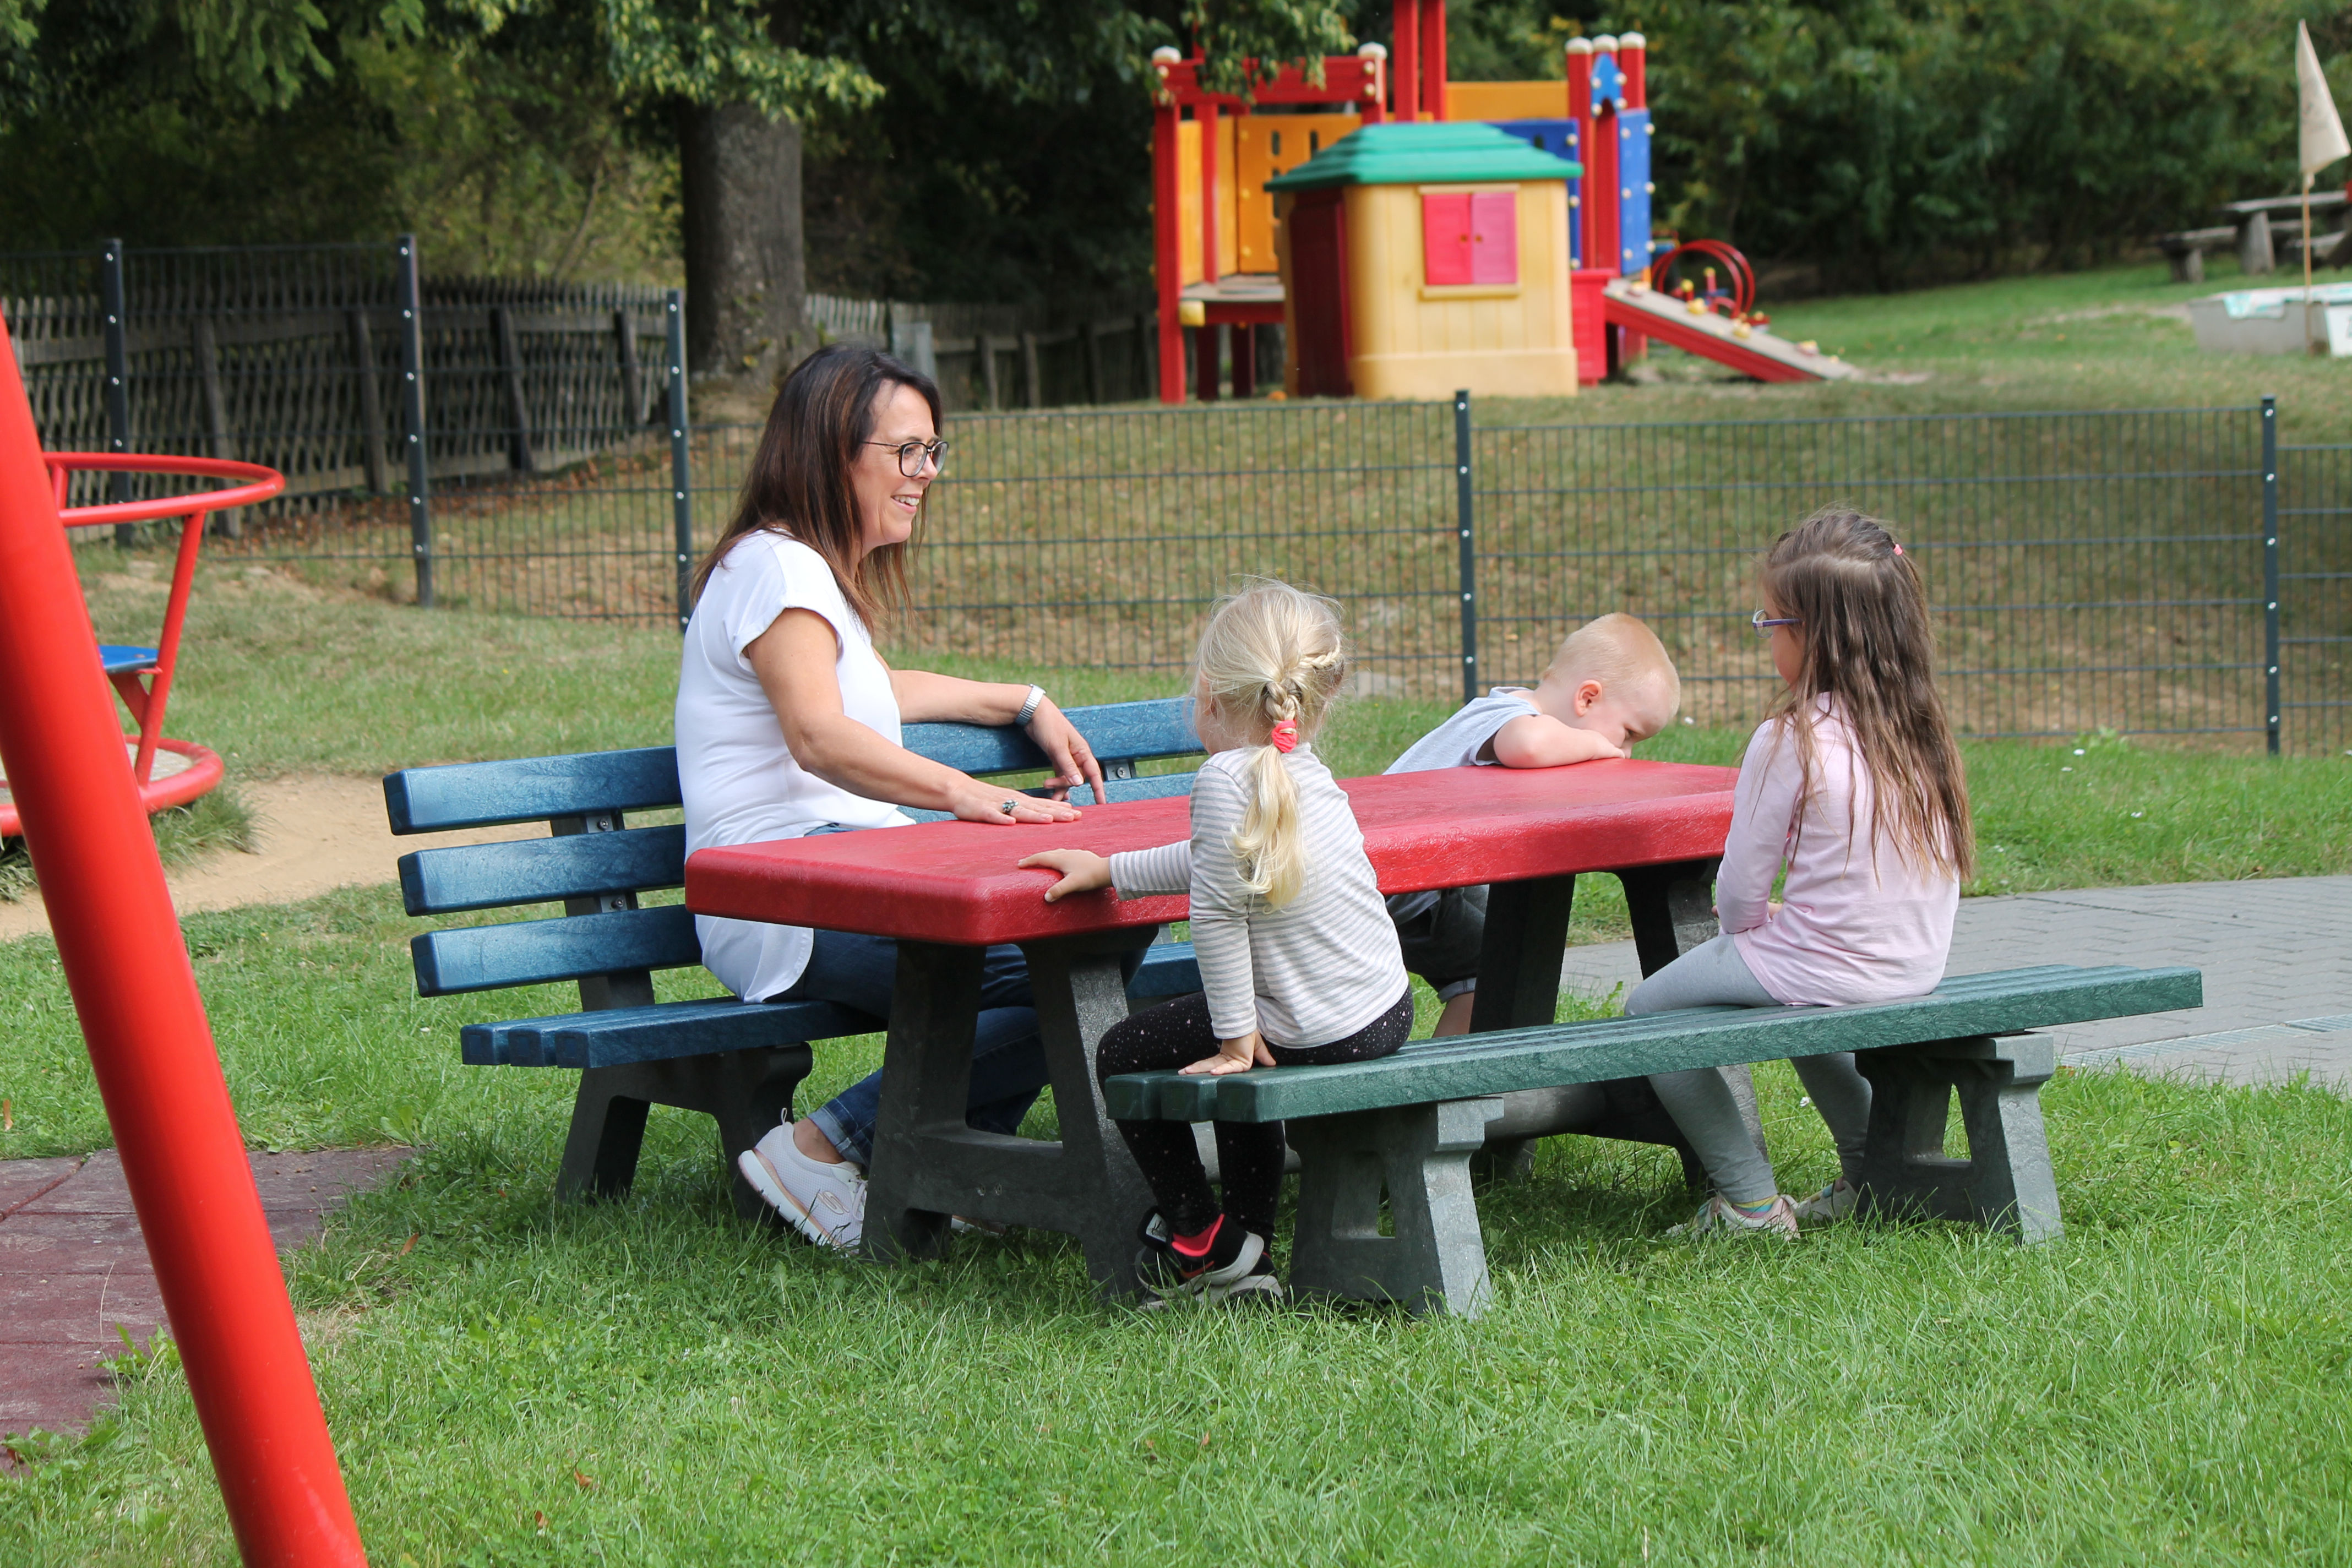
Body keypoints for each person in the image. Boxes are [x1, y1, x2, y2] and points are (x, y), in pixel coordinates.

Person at [679, 342, 1112, 1251]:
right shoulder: (778, 569)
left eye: (932, 451)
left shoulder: (806, 572)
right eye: (906, 451)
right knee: (1073, 979)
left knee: (1087, 961)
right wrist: (975, 797)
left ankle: (951, 1166)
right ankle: (822, 1146)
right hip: (785, 894)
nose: (925, 473)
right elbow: (819, 731)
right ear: (830, 450)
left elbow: (874, 693)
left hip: (843, 870)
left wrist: (1021, 700)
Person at [1019, 581, 1411, 1306]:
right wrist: (1113, 871)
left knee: (1126, 1052)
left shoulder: (1226, 775)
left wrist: (1234, 1037)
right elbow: (1220, 861)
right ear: (1318, 698)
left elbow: (1219, 915)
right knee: (1245, 1041)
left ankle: (1202, 1237)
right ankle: (1245, 1254)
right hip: (1384, 1012)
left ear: (1207, 693)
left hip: (1314, 1023)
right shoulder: (1305, 771)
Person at [1633, 508, 1974, 1238]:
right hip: (1915, 963)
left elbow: (1740, 889)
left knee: (1647, 1017)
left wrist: (1749, 930)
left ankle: (1750, 1205)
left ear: (1816, 634)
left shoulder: (1793, 736)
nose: (1766, 636)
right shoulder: (1920, 729)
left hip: (1830, 964)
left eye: (1772, 622)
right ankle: (1874, 1175)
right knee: (1797, 1000)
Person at [1382, 613, 1682, 1036]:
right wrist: (1597, 744)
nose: (1626, 751)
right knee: (1500, 973)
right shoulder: (1509, 717)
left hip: (1417, 880)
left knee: (1502, 955)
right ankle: (1453, 1076)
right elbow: (1527, 744)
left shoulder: (1505, 712)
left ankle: (1458, 1069)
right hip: (1399, 889)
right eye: (1629, 733)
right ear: (1588, 698)